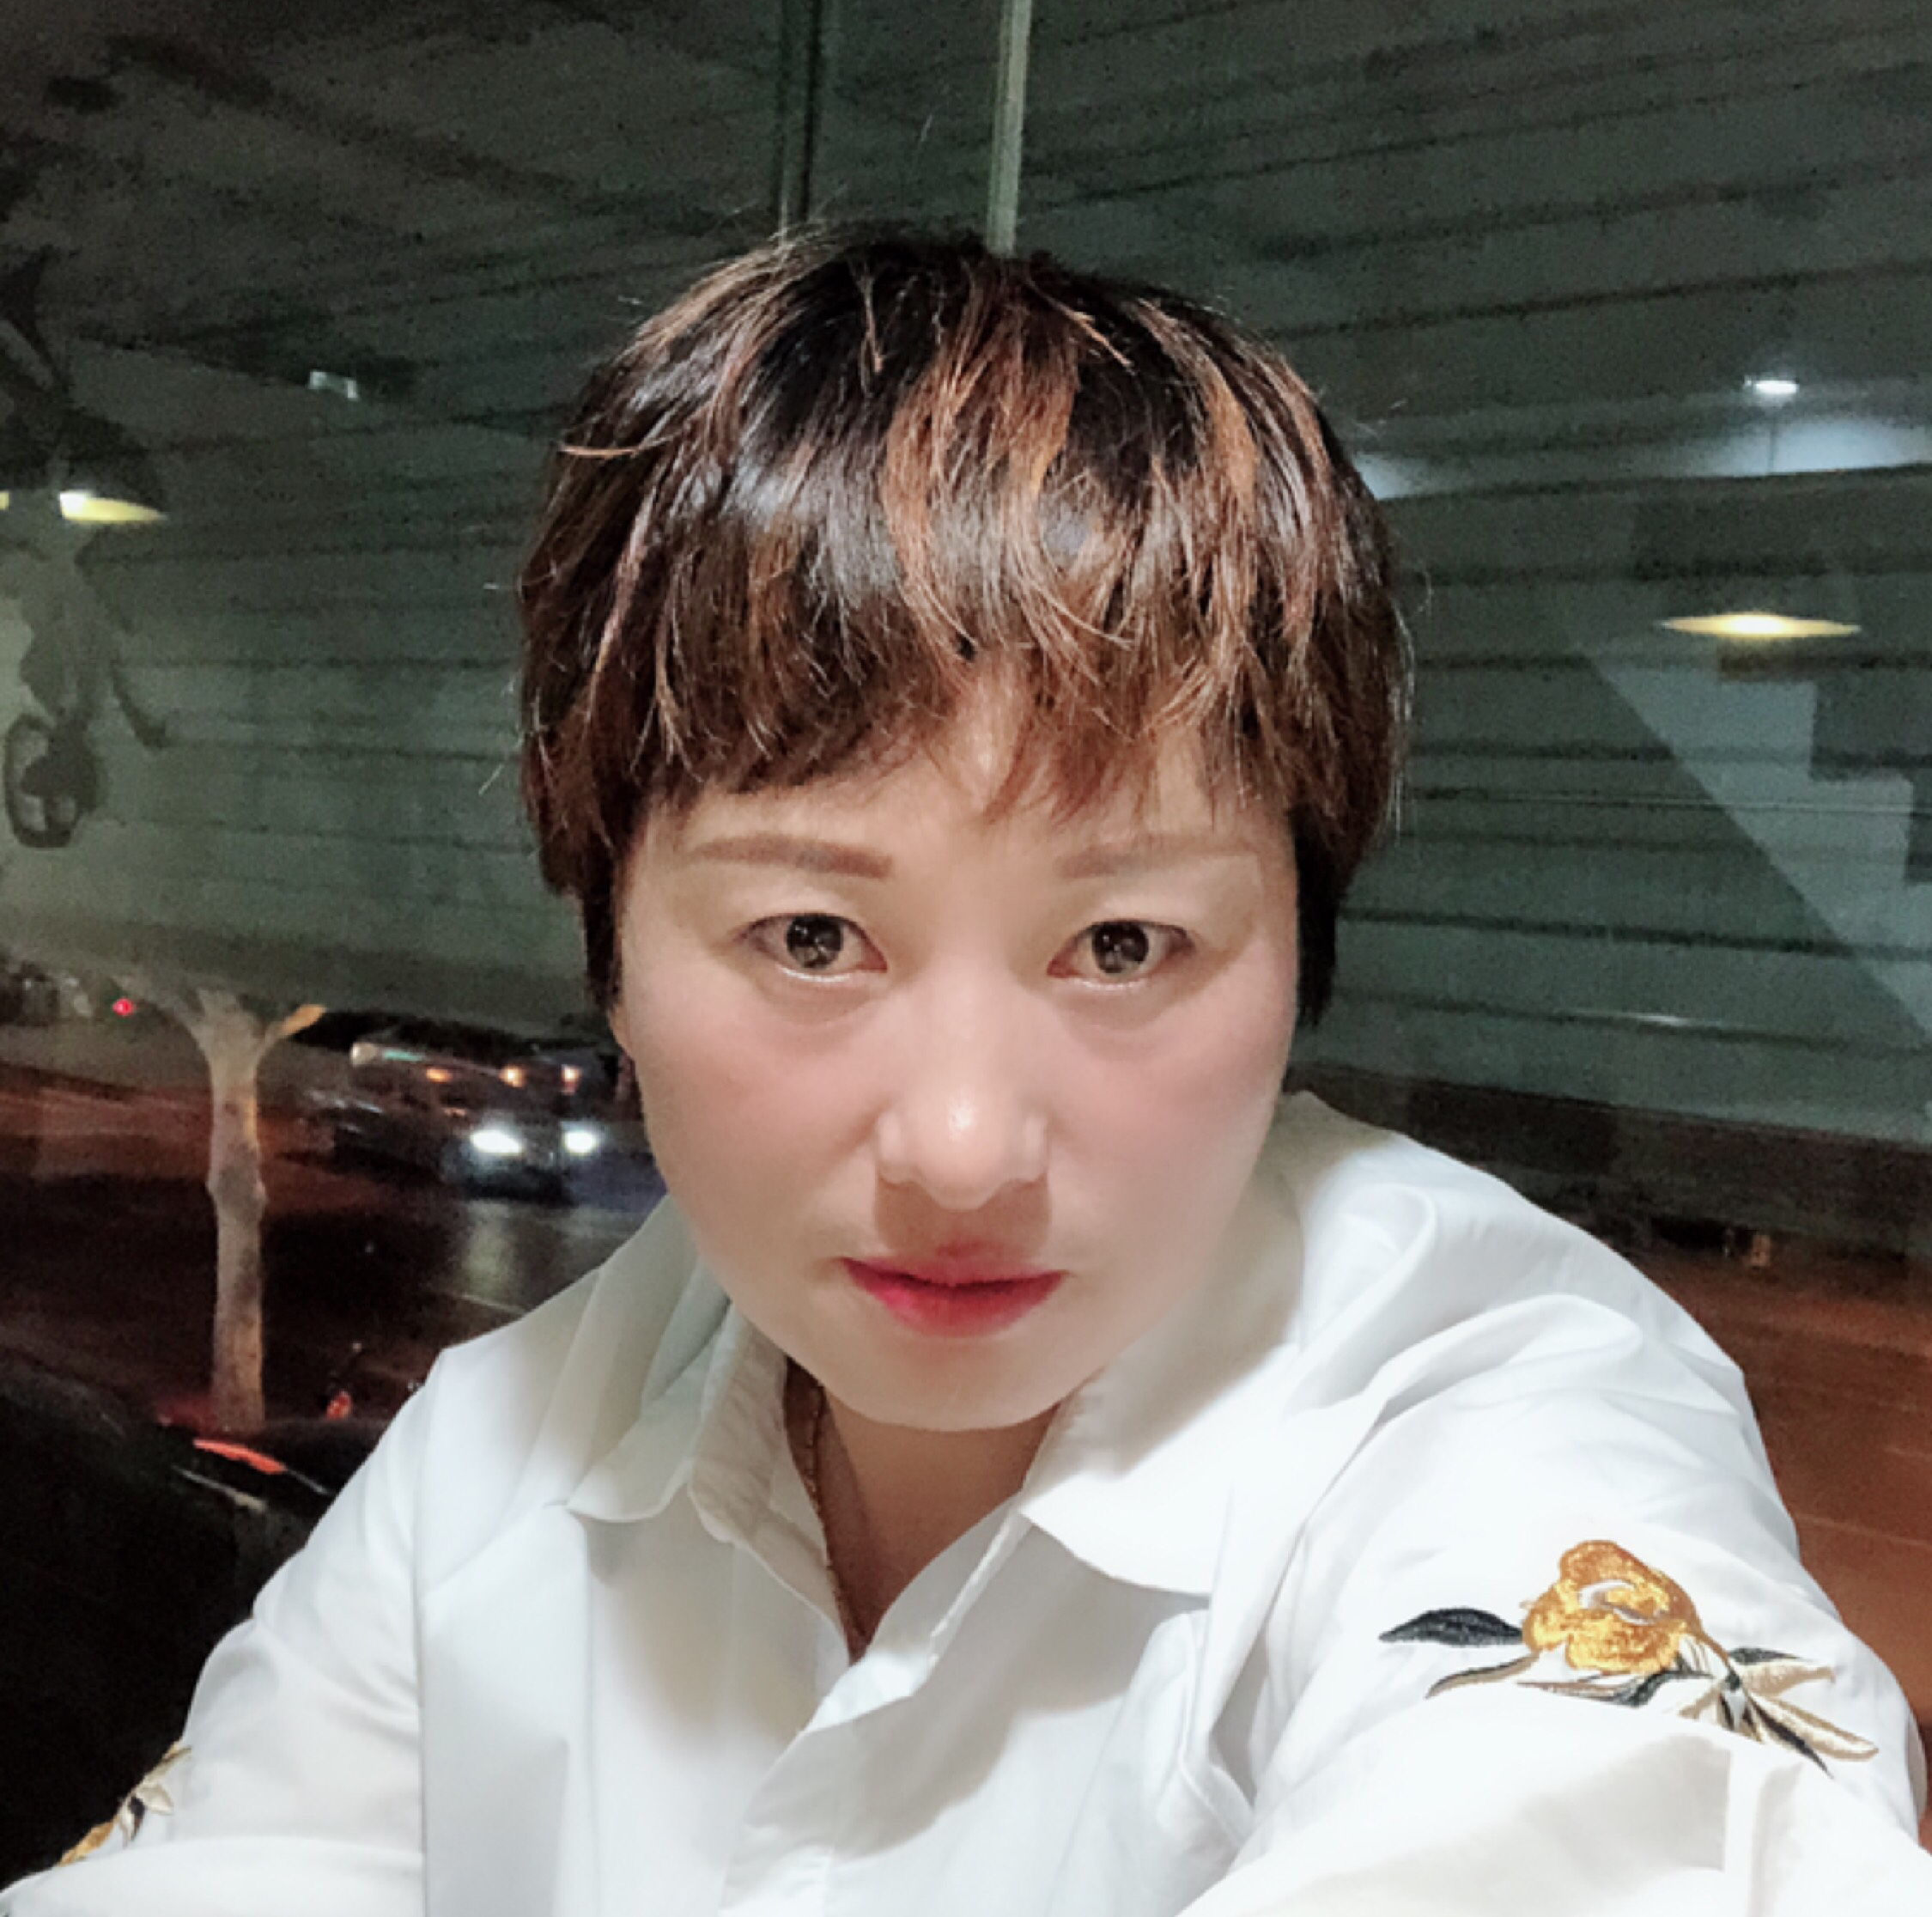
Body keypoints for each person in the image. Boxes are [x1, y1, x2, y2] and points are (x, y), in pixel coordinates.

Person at [8, 234, 1929, 1915]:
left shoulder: (1496, 1413)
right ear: (608, 944)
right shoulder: (507, 1450)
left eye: (1123, 945)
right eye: (811, 937)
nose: (960, 1148)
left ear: (1298, 949)